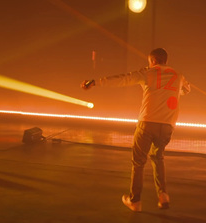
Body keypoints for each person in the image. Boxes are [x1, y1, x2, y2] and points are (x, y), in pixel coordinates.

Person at [81, 48, 191, 212]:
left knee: (138, 162)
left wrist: (95, 82)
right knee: (158, 157)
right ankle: (163, 196)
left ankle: (136, 201)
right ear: (165, 61)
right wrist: (178, 88)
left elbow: (123, 79)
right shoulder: (178, 75)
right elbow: (186, 90)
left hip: (147, 123)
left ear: (152, 61)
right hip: (167, 125)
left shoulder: (148, 73)